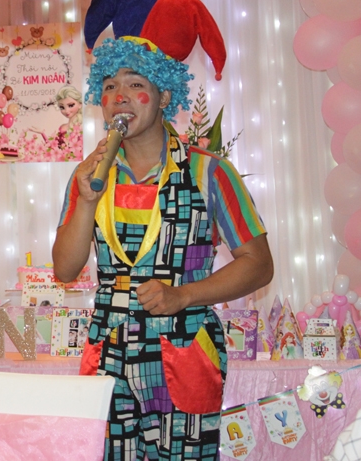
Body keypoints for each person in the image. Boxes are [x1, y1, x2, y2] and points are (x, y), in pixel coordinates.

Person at [52, 35, 274, 459]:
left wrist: (183, 295)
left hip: (184, 349)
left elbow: (259, 265)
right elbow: (64, 270)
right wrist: (86, 201)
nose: (120, 96)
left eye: (135, 84)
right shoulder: (89, 174)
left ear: (164, 97)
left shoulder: (209, 171)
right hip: (108, 352)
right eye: (110, 86)